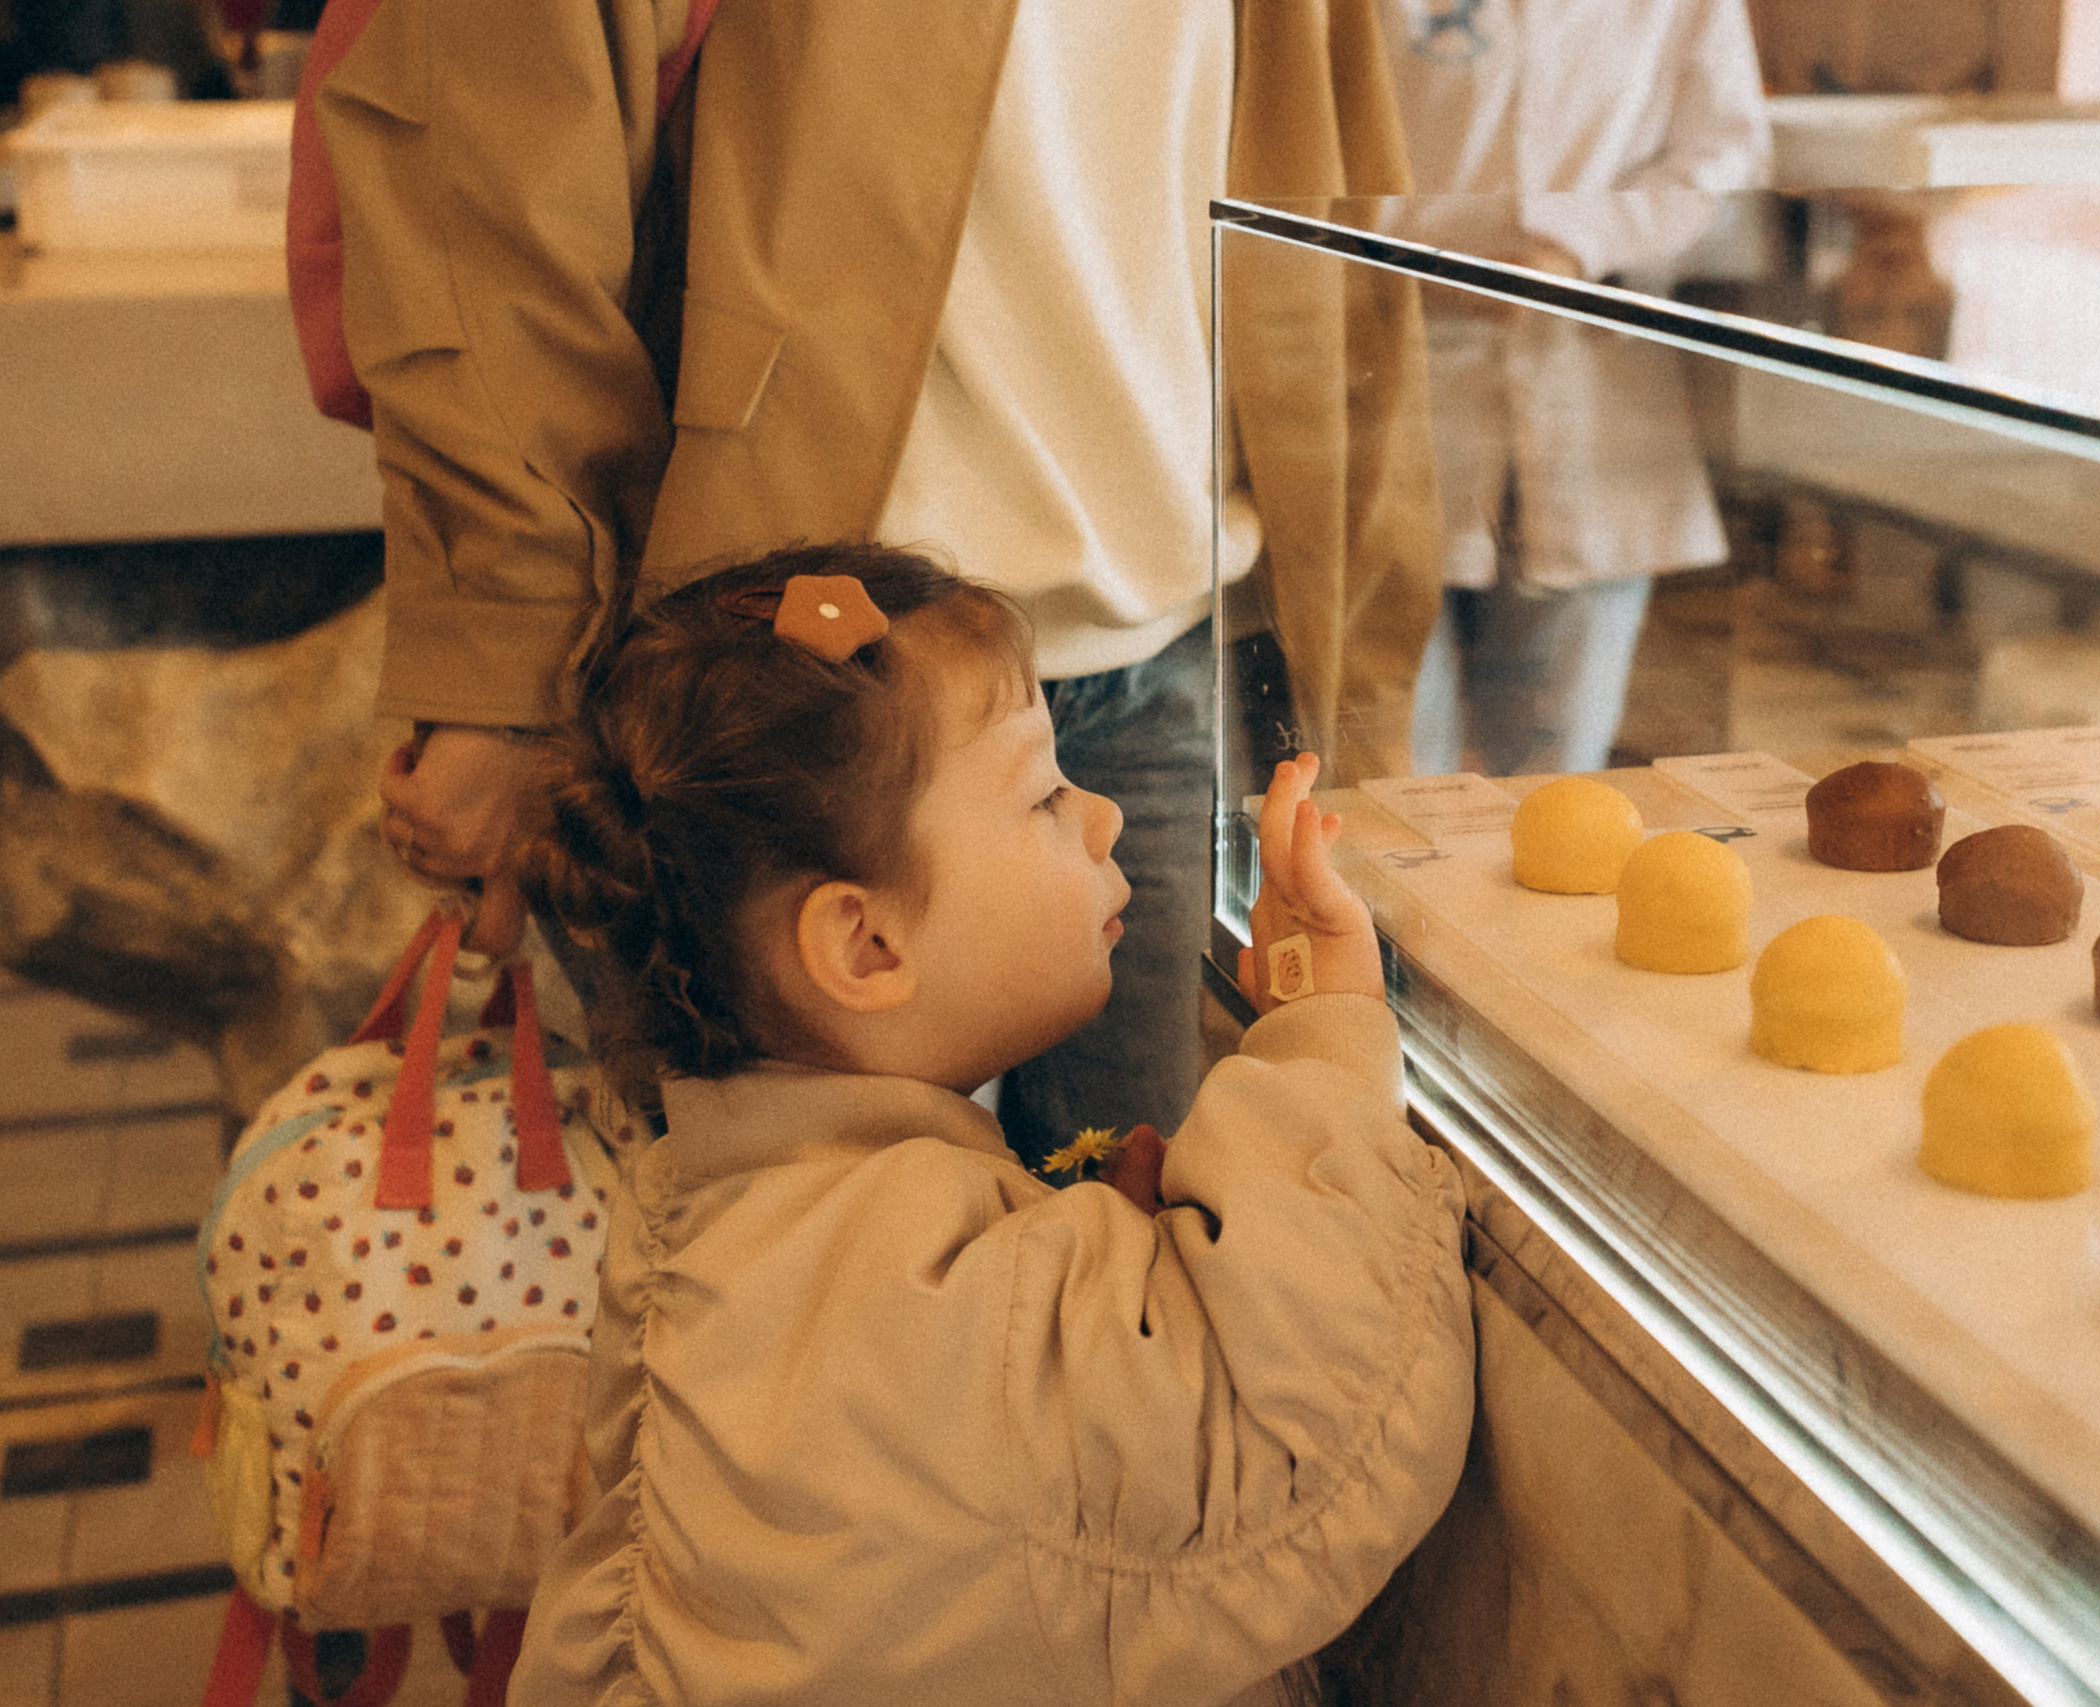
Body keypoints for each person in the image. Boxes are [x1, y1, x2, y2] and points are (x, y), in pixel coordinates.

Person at [333, 0, 1443, 1168]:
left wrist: (1362, 693)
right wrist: (504, 667)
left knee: (1126, 1229)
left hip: (1148, 637)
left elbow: (1332, 242)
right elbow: (488, 183)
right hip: (782, 685)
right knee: (785, 1270)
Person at [507, 542, 1474, 1707]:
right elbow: (1294, 1425)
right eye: (1044, 795)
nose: (1108, 818)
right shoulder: (946, 1287)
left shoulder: (701, 1206)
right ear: (865, 947)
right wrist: (1320, 1033)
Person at [1382, 0, 1771, 776]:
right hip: (1396, 371)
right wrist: (1414, 259)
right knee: (1390, 772)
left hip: (1596, 386)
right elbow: (1310, 140)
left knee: (1557, 780)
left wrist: (1575, 244)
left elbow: (1728, 156)